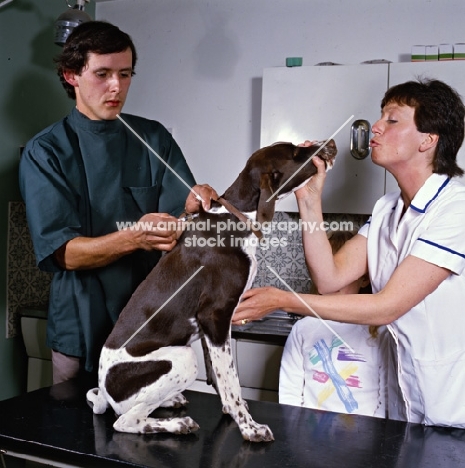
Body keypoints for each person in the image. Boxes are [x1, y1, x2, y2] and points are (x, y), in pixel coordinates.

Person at [234, 78, 465, 428]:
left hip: (452, 409)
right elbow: (330, 279)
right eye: (380, 116)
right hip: (403, 407)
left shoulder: (455, 208)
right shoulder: (388, 208)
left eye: (393, 119)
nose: (376, 126)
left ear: (428, 140)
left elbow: (386, 306)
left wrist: (282, 299)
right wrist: (310, 201)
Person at [19, 21, 216, 384]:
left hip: (148, 320)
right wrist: (135, 238)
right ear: (71, 75)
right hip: (80, 322)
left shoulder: (153, 138)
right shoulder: (45, 152)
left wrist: (192, 211)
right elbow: (64, 253)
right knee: (74, 431)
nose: (116, 87)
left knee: (145, 431)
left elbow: (183, 222)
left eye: (125, 74)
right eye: (102, 74)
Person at [279, 231, 386, 418]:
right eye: (324, 271)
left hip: (364, 439)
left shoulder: (379, 332)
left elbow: (385, 398)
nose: (331, 282)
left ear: (364, 278)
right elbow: (290, 392)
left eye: (339, 272)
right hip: (308, 438)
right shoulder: (304, 329)